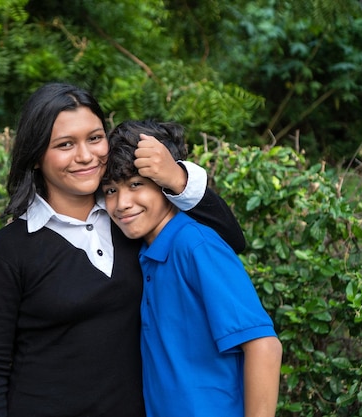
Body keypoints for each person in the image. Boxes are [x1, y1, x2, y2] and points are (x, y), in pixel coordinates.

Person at [0, 82, 246, 417]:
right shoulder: (10, 250)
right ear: (36, 155)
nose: (85, 156)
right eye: (65, 144)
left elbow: (228, 240)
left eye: (95, 138)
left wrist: (177, 178)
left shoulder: (131, 221)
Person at [101, 119, 283, 417]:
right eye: (110, 190)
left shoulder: (195, 245)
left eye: (136, 185)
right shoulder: (146, 252)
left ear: (165, 183)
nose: (122, 203)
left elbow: (264, 347)